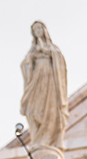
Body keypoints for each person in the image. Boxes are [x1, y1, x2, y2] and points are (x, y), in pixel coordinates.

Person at [20, 21, 69, 149]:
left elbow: (60, 62)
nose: (37, 31)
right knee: (35, 109)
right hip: (37, 81)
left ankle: (50, 140)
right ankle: (38, 139)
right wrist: (31, 59)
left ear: (44, 30)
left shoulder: (53, 49)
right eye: (35, 29)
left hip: (51, 81)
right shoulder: (32, 51)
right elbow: (25, 64)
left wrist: (47, 52)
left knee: (51, 109)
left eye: (39, 28)